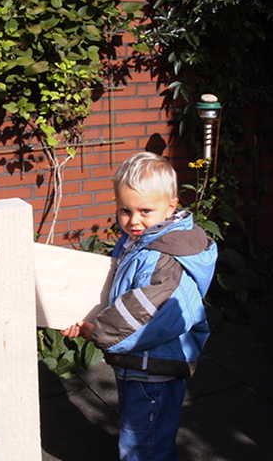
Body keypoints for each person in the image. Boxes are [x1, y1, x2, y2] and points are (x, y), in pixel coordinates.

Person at [62, 152, 218, 461]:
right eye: (125, 210)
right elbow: (121, 293)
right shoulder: (143, 240)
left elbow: (150, 314)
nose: (133, 221)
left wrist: (99, 331)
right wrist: (80, 314)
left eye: (145, 211)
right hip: (142, 360)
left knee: (142, 444)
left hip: (153, 368)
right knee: (148, 434)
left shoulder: (162, 258)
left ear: (171, 206)